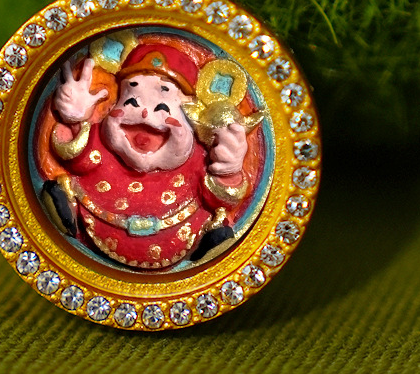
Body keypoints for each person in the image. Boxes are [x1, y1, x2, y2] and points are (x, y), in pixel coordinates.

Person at [39, 42, 257, 269]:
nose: (145, 113)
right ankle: (64, 217)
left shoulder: (198, 159)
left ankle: (209, 246)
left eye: (162, 106)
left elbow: (218, 197)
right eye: (132, 100)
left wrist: (229, 169)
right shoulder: (103, 144)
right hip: (99, 223)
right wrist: (75, 119)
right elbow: (78, 158)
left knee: (217, 226)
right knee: (60, 191)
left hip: (180, 233)